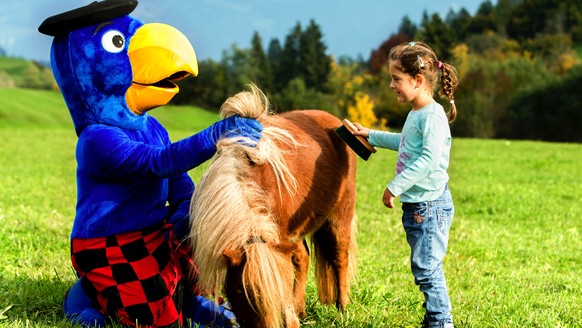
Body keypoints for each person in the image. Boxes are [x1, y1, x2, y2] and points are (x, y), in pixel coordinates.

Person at [352, 41, 458, 328]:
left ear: (418, 80)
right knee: (425, 266)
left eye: (396, 79)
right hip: (419, 206)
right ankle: (435, 318)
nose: (391, 85)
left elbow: (427, 159)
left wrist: (394, 186)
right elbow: (405, 143)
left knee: (427, 268)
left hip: (429, 206)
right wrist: (371, 134)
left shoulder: (433, 117)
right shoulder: (418, 113)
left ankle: (441, 322)